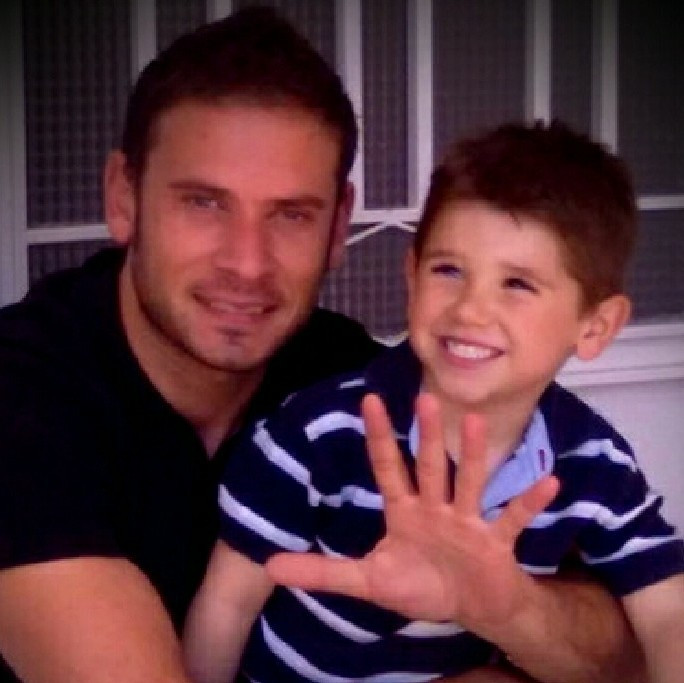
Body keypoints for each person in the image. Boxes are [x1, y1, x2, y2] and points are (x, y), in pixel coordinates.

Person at [0, 6, 643, 683]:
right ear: (123, 198)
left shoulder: (358, 385)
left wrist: (511, 610)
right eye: (204, 203)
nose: (247, 262)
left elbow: (625, 655)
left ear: (338, 225)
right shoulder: (21, 395)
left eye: (292, 214)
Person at [183, 120, 684, 683]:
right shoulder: (321, 432)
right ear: (412, 275)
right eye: (449, 270)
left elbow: (667, 611)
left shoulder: (594, 466)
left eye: (517, 284)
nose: (469, 309)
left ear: (595, 326)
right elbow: (227, 604)